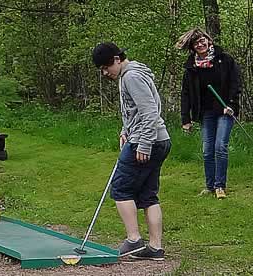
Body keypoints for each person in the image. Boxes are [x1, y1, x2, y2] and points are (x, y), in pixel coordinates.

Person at [92, 42, 172, 261]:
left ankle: (134, 240)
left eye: (106, 67)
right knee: (148, 194)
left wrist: (144, 143)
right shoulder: (133, 73)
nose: (105, 72)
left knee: (120, 188)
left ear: (117, 60)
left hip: (147, 141)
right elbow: (134, 111)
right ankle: (155, 248)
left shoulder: (131, 77)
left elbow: (150, 112)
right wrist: (125, 130)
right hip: (158, 139)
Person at [175, 28, 242, 199]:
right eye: (196, 42)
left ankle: (220, 186)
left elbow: (236, 83)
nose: (200, 44)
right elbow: (186, 94)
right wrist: (186, 119)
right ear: (193, 48)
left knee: (220, 147)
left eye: (202, 40)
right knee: (207, 150)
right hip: (206, 113)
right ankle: (210, 186)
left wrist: (231, 104)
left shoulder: (225, 59)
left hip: (225, 111)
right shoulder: (191, 68)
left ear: (209, 40)